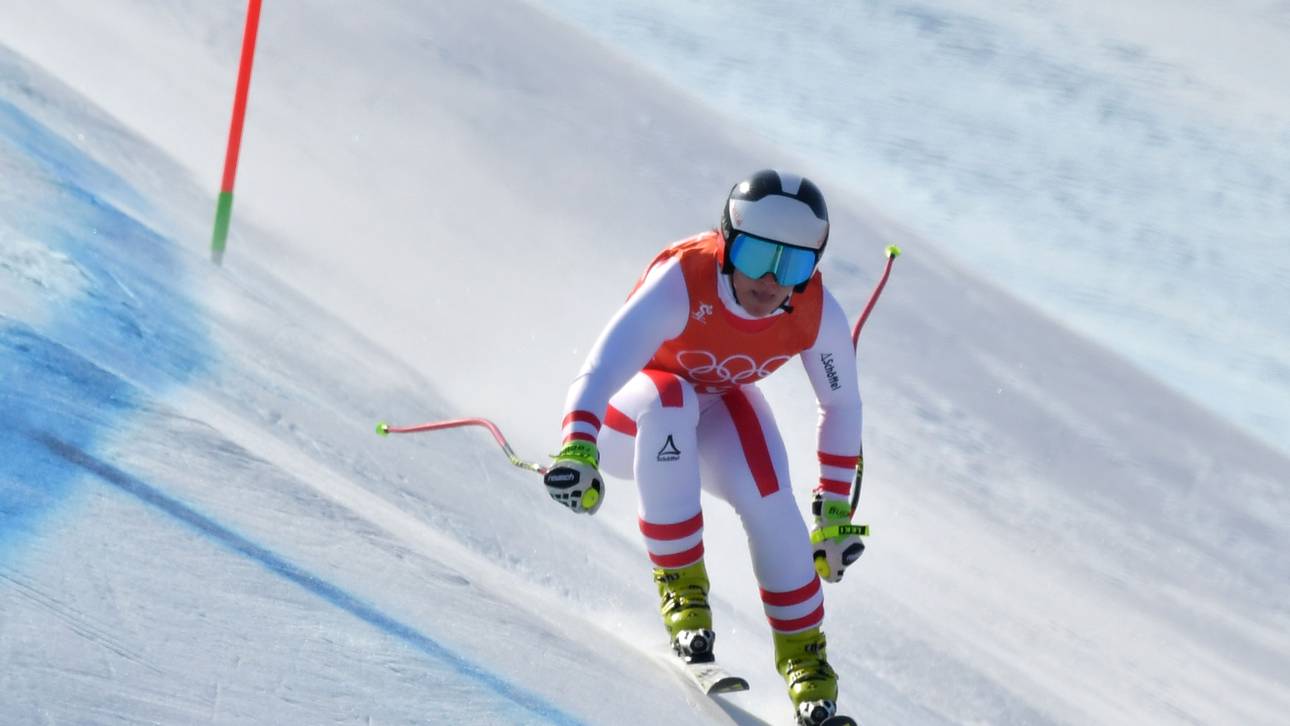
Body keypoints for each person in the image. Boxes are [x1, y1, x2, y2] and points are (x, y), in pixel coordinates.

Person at [543, 169, 866, 726]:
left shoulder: (814, 311)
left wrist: (834, 512)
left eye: (791, 265)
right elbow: (601, 369)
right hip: (635, 422)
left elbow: (841, 406)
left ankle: (808, 671)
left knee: (772, 497)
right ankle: (685, 601)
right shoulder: (684, 279)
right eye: (757, 255)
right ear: (726, 245)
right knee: (671, 398)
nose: (769, 281)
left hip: (713, 409)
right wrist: (579, 446)